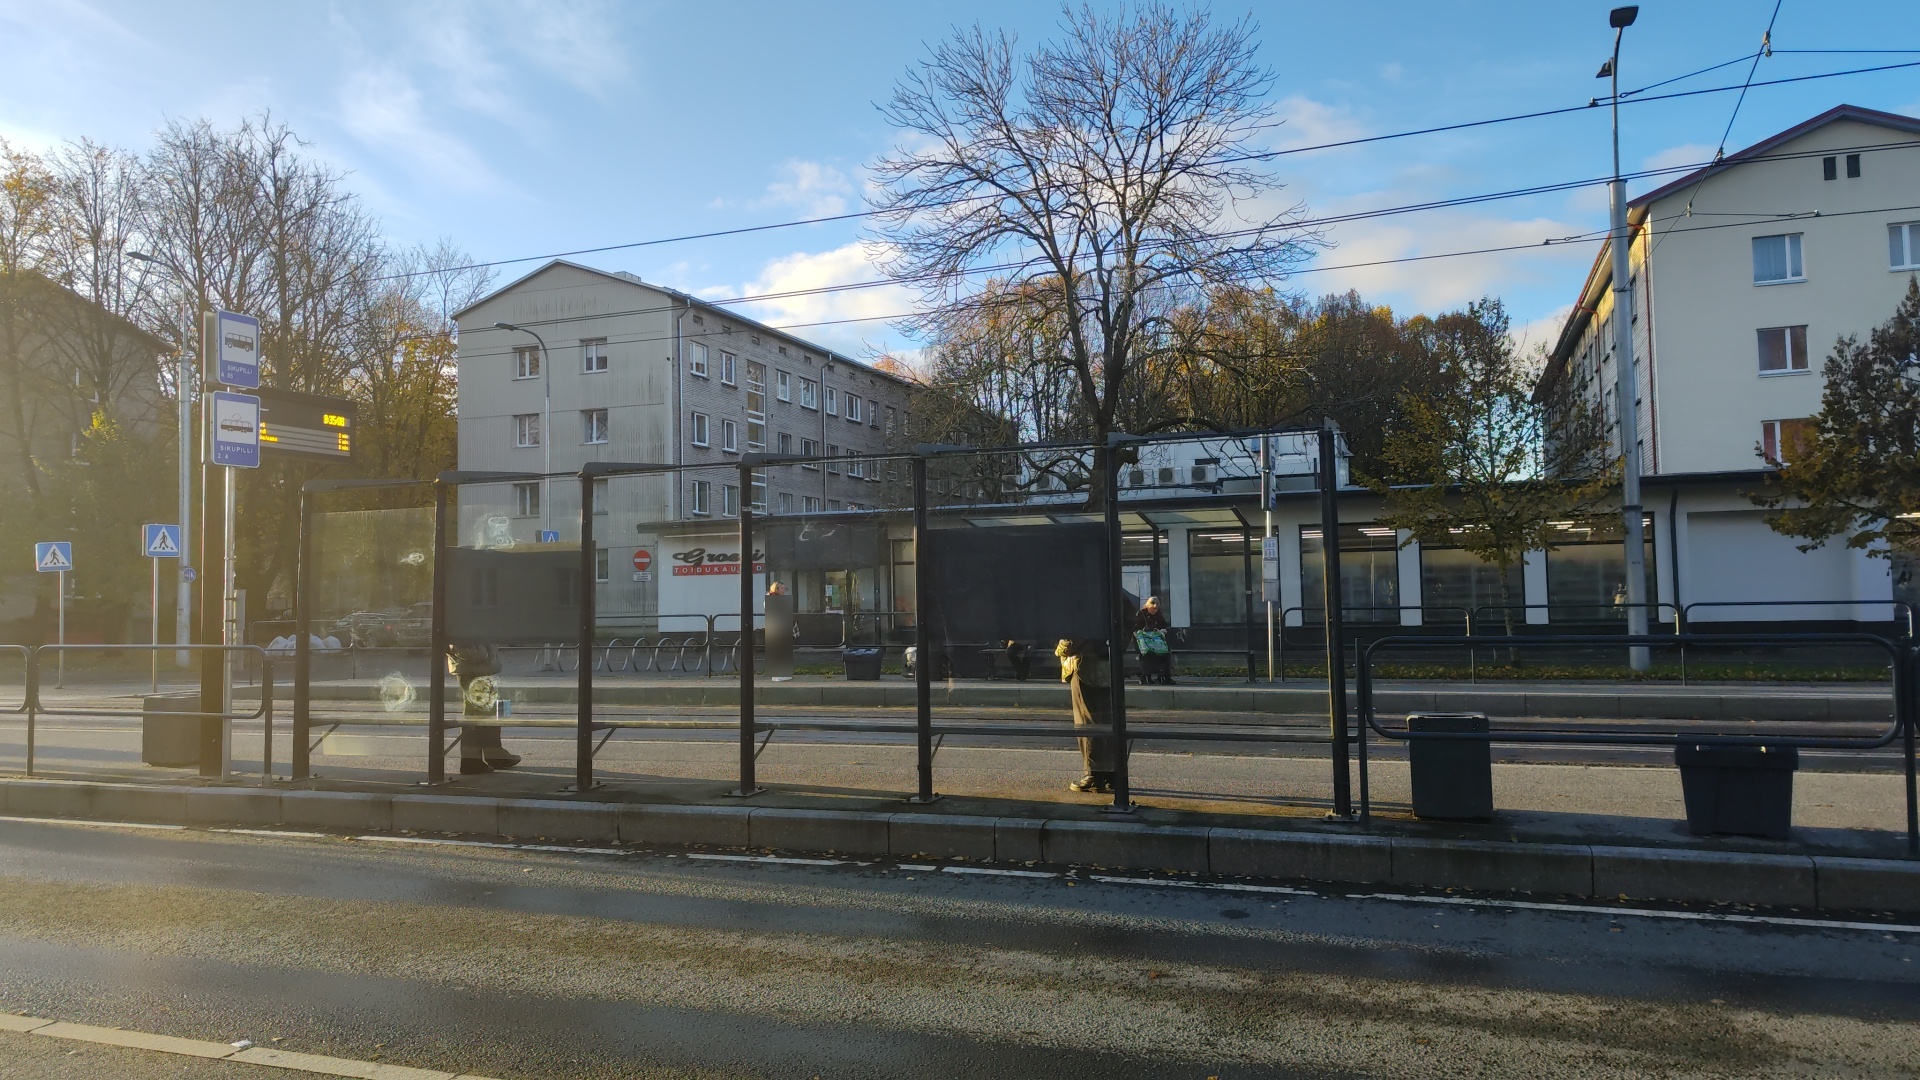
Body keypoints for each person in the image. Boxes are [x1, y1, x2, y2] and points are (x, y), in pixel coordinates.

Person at [448, 643, 519, 774]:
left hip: (476, 665)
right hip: (473, 665)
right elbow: (461, 646)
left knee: (488, 710)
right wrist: (484, 653)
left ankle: (491, 753)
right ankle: (474, 759)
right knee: (476, 713)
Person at [1055, 639, 1113, 793]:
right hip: (1107, 669)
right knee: (1108, 720)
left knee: (1087, 723)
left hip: (1084, 670)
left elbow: (1070, 642)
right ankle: (1112, 774)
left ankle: (1093, 775)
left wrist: (1060, 649)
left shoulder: (1085, 620)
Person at [1133, 596, 1173, 685]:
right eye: (1153, 608)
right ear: (1148, 606)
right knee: (1147, 655)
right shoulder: (1141, 614)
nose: (1154, 610)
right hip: (1144, 641)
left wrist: (1162, 630)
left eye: (1156, 608)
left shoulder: (1158, 614)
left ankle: (1164, 676)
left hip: (1156, 640)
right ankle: (1146, 676)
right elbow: (1136, 627)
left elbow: (1163, 625)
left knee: (1165, 654)